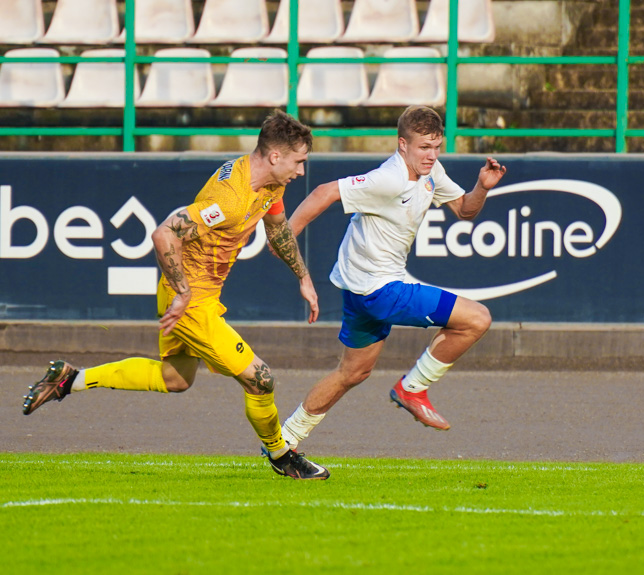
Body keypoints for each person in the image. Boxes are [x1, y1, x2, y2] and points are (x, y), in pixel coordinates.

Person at [21, 110, 330, 481]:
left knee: (175, 378)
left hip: (198, 295)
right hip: (188, 299)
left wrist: (304, 277)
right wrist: (183, 293)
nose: (301, 171)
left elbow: (277, 227)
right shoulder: (229, 199)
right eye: (299, 162)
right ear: (276, 156)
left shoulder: (270, 183)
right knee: (260, 379)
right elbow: (164, 234)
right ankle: (282, 455)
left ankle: (69, 379)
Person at [277, 105, 507, 460]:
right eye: (423, 148)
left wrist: (481, 186)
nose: (431, 155)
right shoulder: (390, 178)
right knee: (477, 319)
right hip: (378, 290)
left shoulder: (431, 172)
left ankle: (285, 440)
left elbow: (464, 210)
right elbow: (324, 191)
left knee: (352, 373)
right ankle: (412, 388)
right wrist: (286, 235)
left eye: (436, 146)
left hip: (359, 289)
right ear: (403, 145)